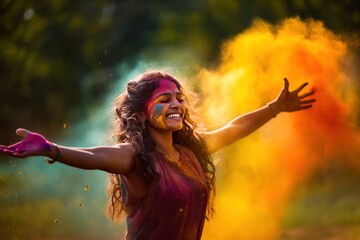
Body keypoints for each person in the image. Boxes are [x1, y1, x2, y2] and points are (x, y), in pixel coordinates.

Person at [0, 70, 315, 239]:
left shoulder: (191, 151)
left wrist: (275, 108)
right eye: (165, 99)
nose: (177, 104)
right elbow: (95, 156)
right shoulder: (134, 158)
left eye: (179, 97)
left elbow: (235, 127)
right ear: (139, 115)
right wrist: (51, 149)